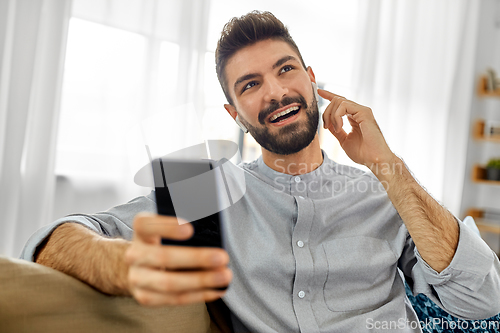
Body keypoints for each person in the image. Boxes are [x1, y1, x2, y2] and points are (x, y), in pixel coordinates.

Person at [22, 11, 500, 333]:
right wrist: (118, 264)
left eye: (286, 70)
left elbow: (481, 300)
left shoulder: (387, 193)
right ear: (235, 115)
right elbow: (58, 239)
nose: (274, 91)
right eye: (250, 84)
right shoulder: (206, 188)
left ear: (312, 82)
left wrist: (386, 165)